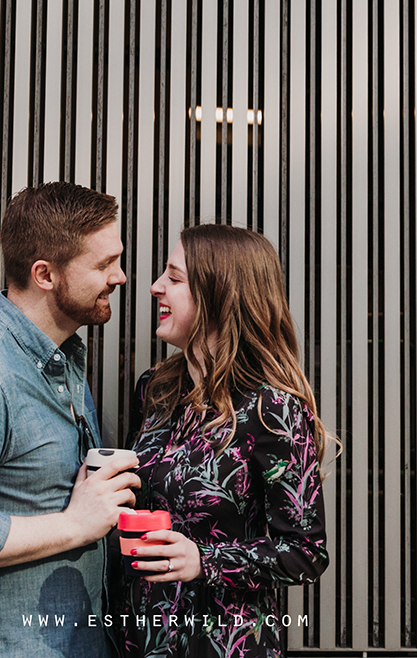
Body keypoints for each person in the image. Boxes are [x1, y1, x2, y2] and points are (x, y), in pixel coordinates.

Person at [0, 183, 144, 658]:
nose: (120, 276)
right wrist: (75, 525)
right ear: (45, 275)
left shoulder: (63, 361)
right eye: (103, 264)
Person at [110, 224, 335, 658]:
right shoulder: (154, 391)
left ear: (220, 296)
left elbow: (306, 554)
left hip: (223, 645)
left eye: (175, 279)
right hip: (141, 640)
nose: (155, 287)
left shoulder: (272, 409)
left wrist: (205, 560)